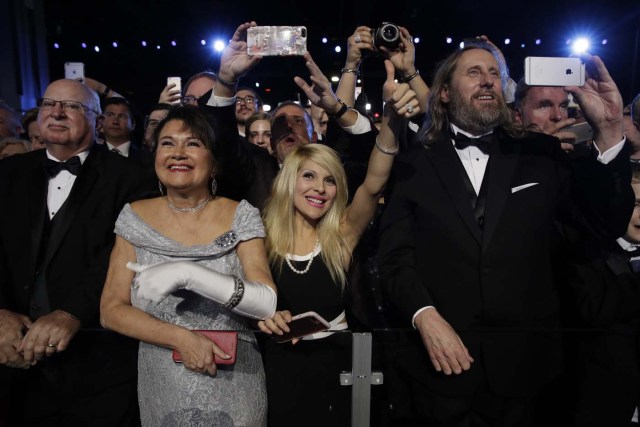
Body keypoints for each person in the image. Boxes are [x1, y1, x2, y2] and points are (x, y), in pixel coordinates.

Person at [377, 40, 632, 426]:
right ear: (444, 92)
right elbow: (395, 258)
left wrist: (610, 129)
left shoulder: (540, 154)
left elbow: (604, 224)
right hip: (439, 373)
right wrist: (424, 315)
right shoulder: (414, 164)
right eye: (474, 73)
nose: (487, 81)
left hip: (528, 377)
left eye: (494, 73)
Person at [257, 53, 419, 426]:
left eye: (330, 180)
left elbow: (375, 181)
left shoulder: (342, 236)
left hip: (344, 374)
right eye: (310, 177)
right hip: (281, 373)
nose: (321, 189)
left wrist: (391, 119)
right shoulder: (261, 239)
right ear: (289, 181)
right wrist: (262, 320)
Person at [99, 105, 277, 426]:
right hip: (163, 383)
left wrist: (189, 274)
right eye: (167, 143)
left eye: (193, 144)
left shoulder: (241, 214)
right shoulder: (134, 217)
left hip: (236, 379)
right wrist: (181, 338)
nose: (178, 153)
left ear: (214, 162)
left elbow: (265, 303)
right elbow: (111, 309)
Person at [0, 79, 147, 425]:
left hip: (96, 365)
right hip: (11, 364)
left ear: (97, 121)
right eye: (50, 104)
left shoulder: (131, 177)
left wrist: (72, 313)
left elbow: (125, 254)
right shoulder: (7, 173)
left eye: (72, 106)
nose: (57, 112)